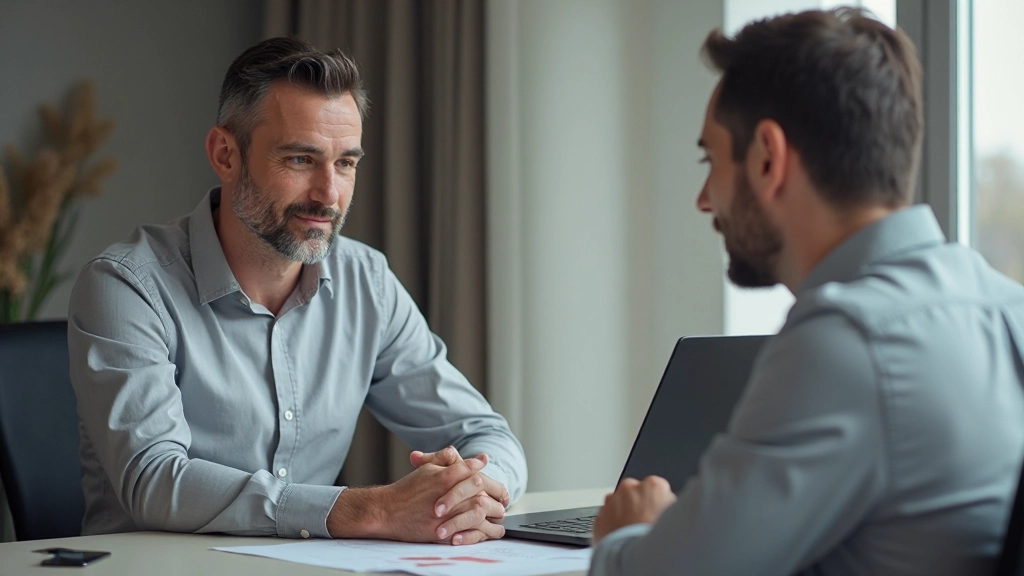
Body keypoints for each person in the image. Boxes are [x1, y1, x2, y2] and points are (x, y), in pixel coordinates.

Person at [590, 8, 1024, 576]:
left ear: (769, 158)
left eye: (711, 160)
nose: (703, 198)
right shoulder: (1006, 306)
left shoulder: (845, 341)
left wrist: (631, 534)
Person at [67, 36, 526, 545]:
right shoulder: (127, 284)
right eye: (301, 160)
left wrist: (472, 493)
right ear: (225, 154)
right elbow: (153, 479)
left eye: (346, 163)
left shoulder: (366, 282)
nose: (329, 194)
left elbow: (486, 436)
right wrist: (370, 509)